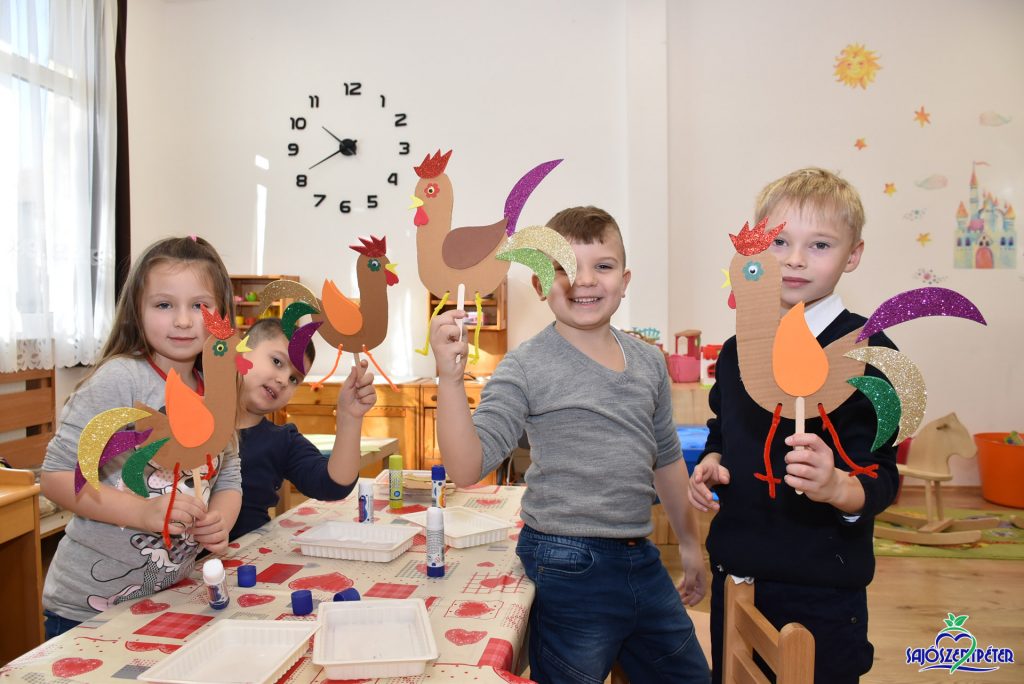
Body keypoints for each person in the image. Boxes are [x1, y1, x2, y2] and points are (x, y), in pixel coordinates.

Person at [430, 206, 710, 683]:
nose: (584, 280)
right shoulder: (525, 365)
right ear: (540, 284)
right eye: (564, 268)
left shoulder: (648, 362)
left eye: (603, 266)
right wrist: (450, 381)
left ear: (624, 281)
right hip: (565, 558)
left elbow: (666, 459)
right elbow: (466, 467)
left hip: (640, 556)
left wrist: (688, 544)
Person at [688, 168, 899, 683]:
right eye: (780, 242)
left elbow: (882, 476)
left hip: (820, 586)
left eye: (819, 244)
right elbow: (724, 425)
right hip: (737, 571)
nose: (795, 259)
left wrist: (838, 487)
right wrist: (713, 460)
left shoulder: (868, 353)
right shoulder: (737, 351)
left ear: (853, 255)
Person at [40, 236, 243, 638]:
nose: (183, 320)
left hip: (169, 599)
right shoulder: (121, 379)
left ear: (222, 313)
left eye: (200, 306)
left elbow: (229, 474)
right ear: (138, 309)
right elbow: (56, 476)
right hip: (87, 610)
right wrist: (143, 513)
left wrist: (220, 520)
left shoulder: (217, 385)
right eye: (164, 305)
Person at [229, 317, 376, 540]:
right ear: (241, 350)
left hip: (244, 556)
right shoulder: (191, 414)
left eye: (294, 379)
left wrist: (349, 417)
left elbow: (333, 485)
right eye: (277, 362)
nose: (283, 380)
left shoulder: (282, 441)